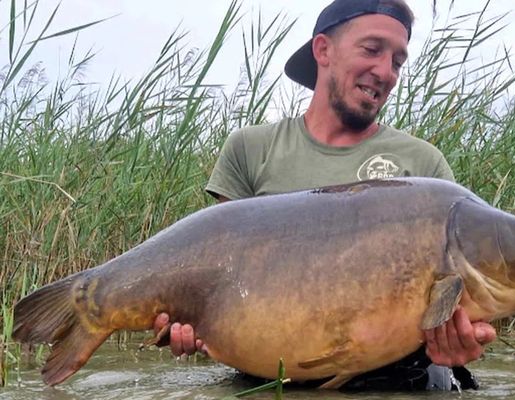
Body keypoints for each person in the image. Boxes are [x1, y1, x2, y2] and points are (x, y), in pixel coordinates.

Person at [154, 0, 496, 391]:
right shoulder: (251, 149)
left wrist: (462, 340)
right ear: (323, 50)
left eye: (398, 61)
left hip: (401, 380)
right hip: (273, 375)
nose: (385, 72)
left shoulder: (424, 166)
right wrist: (190, 320)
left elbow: (463, 299)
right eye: (371, 49)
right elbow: (221, 270)